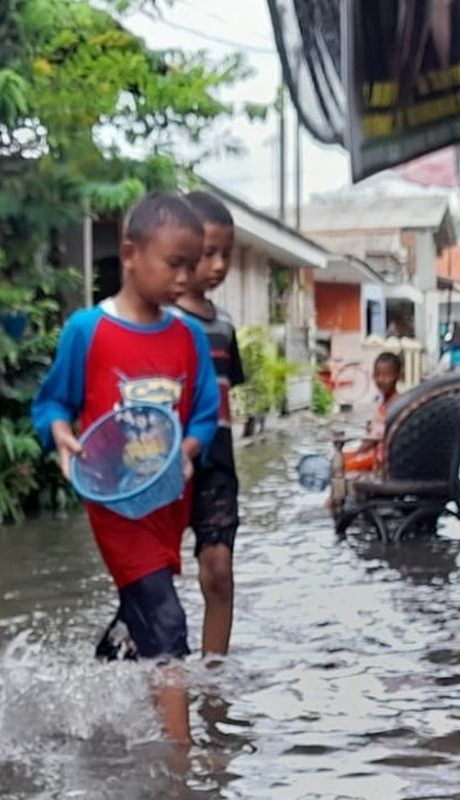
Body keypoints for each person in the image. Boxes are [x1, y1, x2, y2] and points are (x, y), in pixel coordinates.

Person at [32, 193, 220, 746]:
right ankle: (181, 762)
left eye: (193, 263)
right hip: (116, 506)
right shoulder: (87, 331)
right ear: (131, 254)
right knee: (168, 622)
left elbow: (206, 411)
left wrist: (189, 448)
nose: (186, 277)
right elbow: (51, 405)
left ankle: (97, 710)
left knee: (142, 615)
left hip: (167, 505)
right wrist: (60, 434)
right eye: (175, 264)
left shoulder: (187, 337)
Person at [170, 191, 244, 657]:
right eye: (208, 253)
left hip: (216, 457)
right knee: (155, 572)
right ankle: (162, 672)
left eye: (226, 256)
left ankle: (214, 679)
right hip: (165, 458)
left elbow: (227, 394)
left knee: (218, 569)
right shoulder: (161, 320)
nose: (217, 265)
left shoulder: (225, 324)